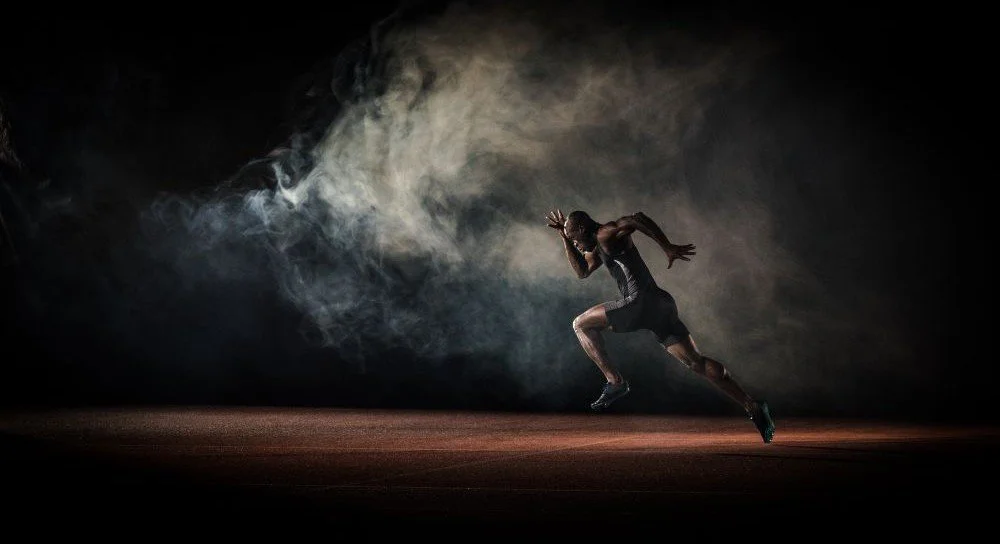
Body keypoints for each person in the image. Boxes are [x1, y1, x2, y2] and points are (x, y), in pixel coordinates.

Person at [546, 208, 775, 443]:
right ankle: (753, 405)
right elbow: (582, 272)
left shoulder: (606, 233)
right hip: (661, 305)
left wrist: (667, 247)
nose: (576, 244)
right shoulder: (597, 244)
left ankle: (615, 381)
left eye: (575, 238)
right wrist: (564, 238)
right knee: (696, 362)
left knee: (580, 324)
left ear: (583, 229)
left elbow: (637, 219)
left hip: (639, 303)